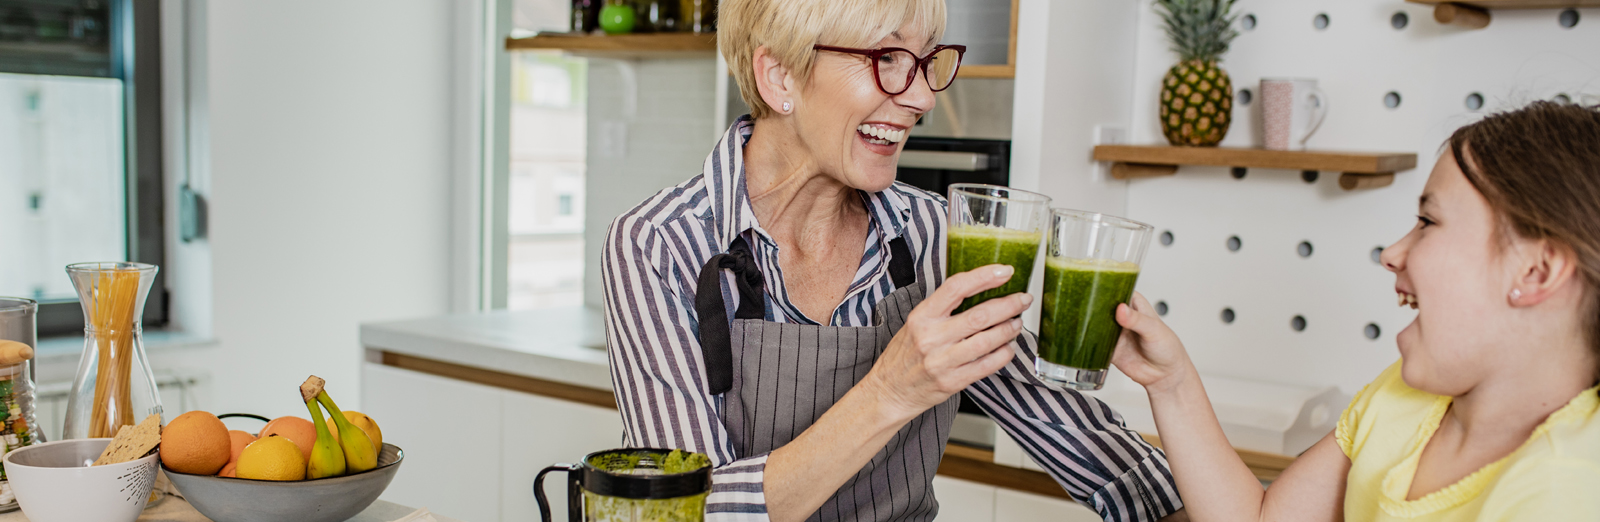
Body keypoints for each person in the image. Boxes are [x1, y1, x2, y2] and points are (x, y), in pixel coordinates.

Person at [600, 1, 1187, 520]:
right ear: (779, 75)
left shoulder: (934, 234)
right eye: (886, 58)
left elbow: (1094, 453)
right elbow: (685, 514)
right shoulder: (658, 245)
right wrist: (892, 391)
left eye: (926, 62)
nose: (922, 96)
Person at [1111, 101, 1600, 521]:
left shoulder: (1567, 490)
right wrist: (1170, 383)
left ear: (1535, 273)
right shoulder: (1402, 396)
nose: (1392, 253)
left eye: (1428, 222)